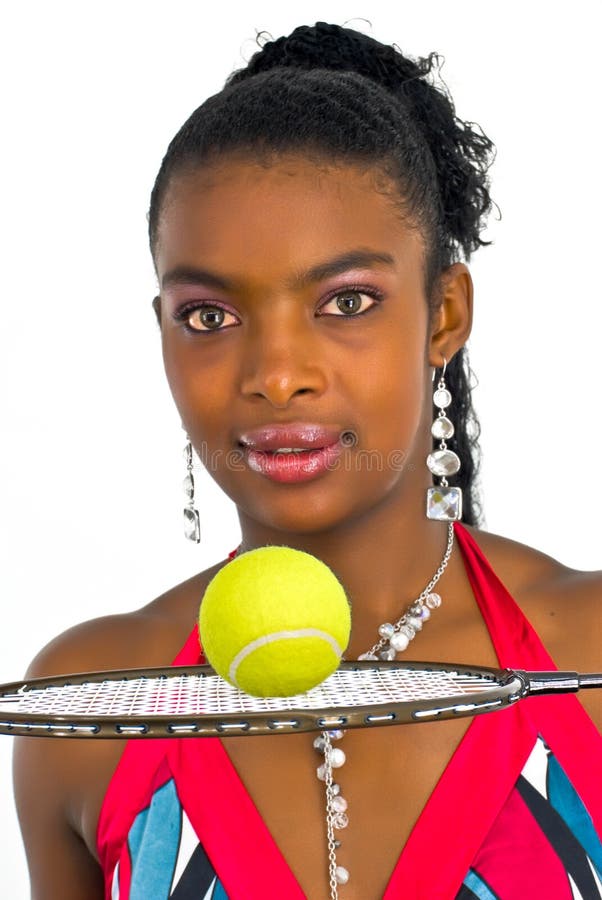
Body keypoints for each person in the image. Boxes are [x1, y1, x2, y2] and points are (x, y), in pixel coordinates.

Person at [13, 20, 601, 900]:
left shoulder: (584, 661)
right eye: (209, 316)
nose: (276, 375)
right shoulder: (89, 711)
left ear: (443, 315)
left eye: (346, 300)